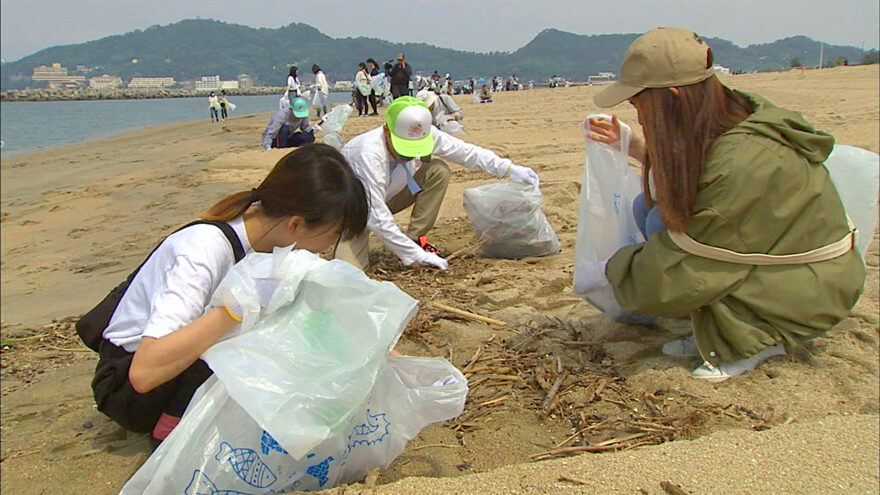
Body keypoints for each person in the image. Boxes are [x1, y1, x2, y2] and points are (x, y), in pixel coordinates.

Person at [581, 27, 865, 381]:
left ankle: (757, 339)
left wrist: (609, 271)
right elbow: (693, 180)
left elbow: (686, 268)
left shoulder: (741, 161)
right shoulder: (727, 111)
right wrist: (637, 147)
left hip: (813, 292)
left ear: (672, 97)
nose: (639, 117)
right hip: (789, 260)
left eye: (640, 106)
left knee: (658, 249)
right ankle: (722, 321)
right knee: (648, 212)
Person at [89, 144, 369, 450]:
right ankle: (170, 433)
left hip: (169, 374)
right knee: (251, 336)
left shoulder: (269, 242)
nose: (327, 247)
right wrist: (232, 311)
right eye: (333, 234)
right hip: (129, 389)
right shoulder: (201, 251)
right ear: (296, 224)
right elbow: (144, 373)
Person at [334, 96, 539, 271]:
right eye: (404, 150)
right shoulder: (368, 153)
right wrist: (411, 254)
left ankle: (416, 238)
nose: (411, 156)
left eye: (416, 148)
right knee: (349, 273)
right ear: (387, 131)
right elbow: (374, 212)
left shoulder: (424, 132)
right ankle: (399, 247)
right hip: (352, 208)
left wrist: (509, 169)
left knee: (437, 170)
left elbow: (466, 152)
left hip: (386, 196)